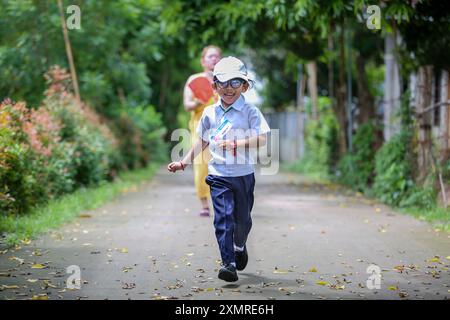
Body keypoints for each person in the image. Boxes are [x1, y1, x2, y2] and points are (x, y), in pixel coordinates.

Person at [168, 56, 270, 282]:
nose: (228, 88)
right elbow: (202, 140)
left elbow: (262, 138)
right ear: (214, 87)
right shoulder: (210, 113)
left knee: (243, 221)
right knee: (223, 219)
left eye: (235, 83)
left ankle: (239, 246)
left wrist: (236, 144)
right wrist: (184, 162)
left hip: (243, 175)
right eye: (222, 83)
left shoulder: (250, 112)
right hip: (218, 175)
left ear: (244, 86)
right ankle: (228, 264)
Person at [183, 45, 221, 217]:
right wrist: (200, 101)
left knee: (224, 165)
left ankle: (223, 202)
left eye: (217, 56)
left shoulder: (226, 79)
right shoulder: (194, 79)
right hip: (200, 129)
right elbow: (187, 105)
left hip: (223, 129)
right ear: (203, 60)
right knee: (201, 166)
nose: (214, 59)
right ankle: (205, 204)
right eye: (211, 56)